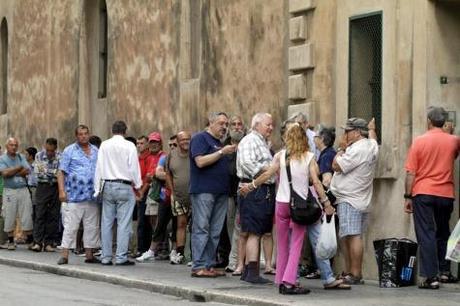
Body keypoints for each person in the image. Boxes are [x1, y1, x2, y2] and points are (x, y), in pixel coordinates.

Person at [240, 124, 337, 294]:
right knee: (296, 245)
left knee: (283, 244)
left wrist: (251, 186)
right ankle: (290, 282)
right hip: (299, 206)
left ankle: (281, 280)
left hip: (281, 204)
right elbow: (316, 182)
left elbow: (267, 174)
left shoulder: (280, 155)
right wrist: (326, 203)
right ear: (304, 138)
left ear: (287, 138)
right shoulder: (309, 157)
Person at [404, 107, 459, 289]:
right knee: (444, 232)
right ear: (444, 122)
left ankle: (430, 277)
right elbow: (454, 155)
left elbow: (411, 173)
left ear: (429, 121)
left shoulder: (419, 141)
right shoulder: (454, 141)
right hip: (446, 194)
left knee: (426, 233)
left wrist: (408, 196)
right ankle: (445, 271)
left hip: (424, 192)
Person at [330, 117, 378, 284]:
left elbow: (336, 166)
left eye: (347, 131)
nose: (345, 134)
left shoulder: (356, 149)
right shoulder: (370, 145)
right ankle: (351, 271)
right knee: (351, 234)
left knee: (352, 235)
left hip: (350, 198)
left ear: (357, 133)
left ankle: (355, 273)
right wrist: (372, 129)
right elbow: (373, 138)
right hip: (359, 197)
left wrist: (340, 150)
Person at [189, 112, 236, 277]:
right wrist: (222, 152)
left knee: (215, 230)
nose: (224, 127)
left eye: (226, 124)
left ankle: (208, 264)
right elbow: (200, 162)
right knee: (202, 227)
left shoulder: (218, 142)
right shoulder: (200, 138)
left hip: (221, 192)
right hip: (204, 191)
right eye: (221, 123)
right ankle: (198, 266)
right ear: (211, 122)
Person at [94, 121, 142, 266]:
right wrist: (138, 185)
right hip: (124, 185)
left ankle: (106, 256)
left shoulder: (104, 145)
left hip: (108, 184)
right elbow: (133, 167)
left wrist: (97, 188)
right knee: (124, 223)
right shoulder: (129, 145)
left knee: (107, 222)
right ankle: (121, 257)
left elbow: (99, 167)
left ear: (112, 130)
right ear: (125, 131)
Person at [236, 113, 275, 284]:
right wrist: (270, 168)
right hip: (254, 190)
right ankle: (252, 272)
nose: (271, 127)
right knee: (254, 231)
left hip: (259, 190)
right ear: (257, 124)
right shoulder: (250, 140)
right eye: (268, 124)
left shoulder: (260, 141)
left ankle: (249, 271)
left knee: (256, 231)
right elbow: (247, 163)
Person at [57, 125, 100, 265]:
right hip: (74, 194)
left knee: (92, 226)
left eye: (86, 134)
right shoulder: (69, 150)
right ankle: (64, 254)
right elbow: (61, 172)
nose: (83, 136)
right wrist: (62, 191)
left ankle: (89, 255)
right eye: (80, 134)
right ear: (76, 136)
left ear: (89, 134)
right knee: (71, 225)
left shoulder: (96, 151)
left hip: (92, 195)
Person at [135, 132, 167, 262]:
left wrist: (153, 176)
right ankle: (155, 248)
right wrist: (141, 192)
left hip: (160, 192)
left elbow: (159, 175)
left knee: (159, 221)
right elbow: (147, 178)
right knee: (151, 220)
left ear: (160, 144)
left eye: (156, 142)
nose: (154, 145)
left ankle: (161, 248)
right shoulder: (148, 157)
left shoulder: (163, 156)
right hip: (150, 192)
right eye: (152, 142)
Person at [0, 138, 33, 250]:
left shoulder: (21, 157)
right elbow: (4, 173)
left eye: (15, 145)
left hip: (23, 189)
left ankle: (29, 239)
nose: (13, 147)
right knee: (9, 214)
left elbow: (27, 170)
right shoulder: (2, 159)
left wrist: (12, 171)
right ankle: (10, 240)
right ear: (7, 146)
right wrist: (19, 168)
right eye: (11, 145)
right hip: (10, 190)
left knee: (27, 213)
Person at [165, 131, 192, 264]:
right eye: (182, 140)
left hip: (195, 195)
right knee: (181, 224)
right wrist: (172, 190)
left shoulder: (195, 152)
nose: (185, 142)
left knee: (196, 225)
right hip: (178, 195)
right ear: (178, 141)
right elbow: (168, 173)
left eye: (187, 139)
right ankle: (180, 253)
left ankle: (194, 254)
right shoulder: (171, 155)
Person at [30, 138, 61, 252]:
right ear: (45, 146)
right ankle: (37, 242)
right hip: (42, 186)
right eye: (47, 150)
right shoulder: (39, 155)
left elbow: (60, 172)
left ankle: (49, 242)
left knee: (53, 215)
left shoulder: (60, 156)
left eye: (51, 151)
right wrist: (53, 172)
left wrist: (49, 172)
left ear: (55, 149)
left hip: (55, 187)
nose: (49, 153)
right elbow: (39, 172)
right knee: (40, 213)